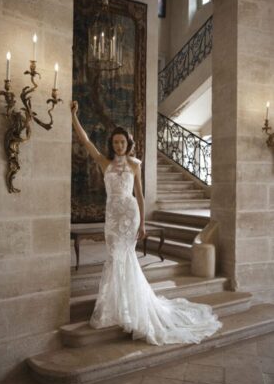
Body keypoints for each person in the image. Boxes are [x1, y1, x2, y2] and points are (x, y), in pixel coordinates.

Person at [71, 101, 223, 346]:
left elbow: (140, 195)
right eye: (115, 141)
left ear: (128, 144)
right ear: (111, 144)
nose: (118, 145)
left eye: (122, 142)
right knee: (113, 258)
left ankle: (129, 308)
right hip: (112, 217)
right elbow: (86, 140)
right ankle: (115, 306)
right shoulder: (103, 162)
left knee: (125, 257)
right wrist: (73, 116)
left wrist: (142, 224)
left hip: (129, 215)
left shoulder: (134, 164)